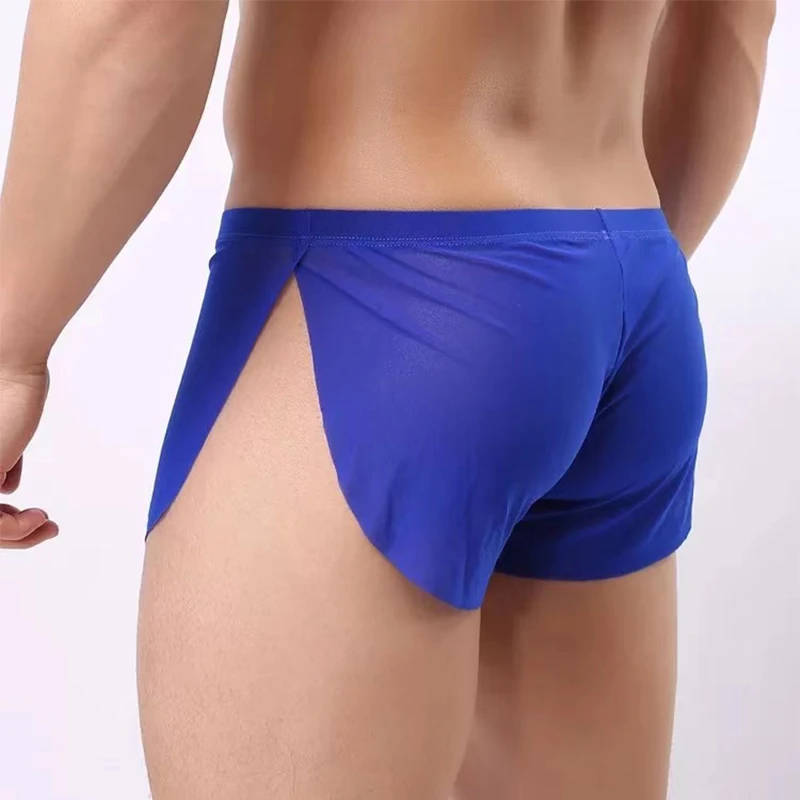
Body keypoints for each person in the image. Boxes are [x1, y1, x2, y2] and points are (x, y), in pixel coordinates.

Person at [0, 1, 777, 798]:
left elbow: (131, 13)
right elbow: (732, 24)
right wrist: (571, 323)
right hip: (633, 281)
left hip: (380, 298)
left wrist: (10, 354)